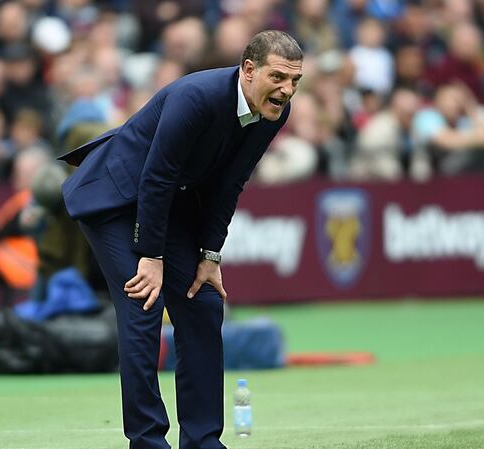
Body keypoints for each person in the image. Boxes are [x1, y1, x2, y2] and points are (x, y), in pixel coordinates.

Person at [58, 30, 303, 449]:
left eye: (295, 80)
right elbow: (157, 176)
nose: (286, 90)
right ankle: (148, 441)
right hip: (114, 198)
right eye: (278, 77)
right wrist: (151, 256)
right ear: (249, 70)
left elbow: (231, 183)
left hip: (167, 202)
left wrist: (210, 254)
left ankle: (203, 441)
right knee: (144, 304)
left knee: (203, 303)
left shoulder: (273, 111)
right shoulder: (197, 97)